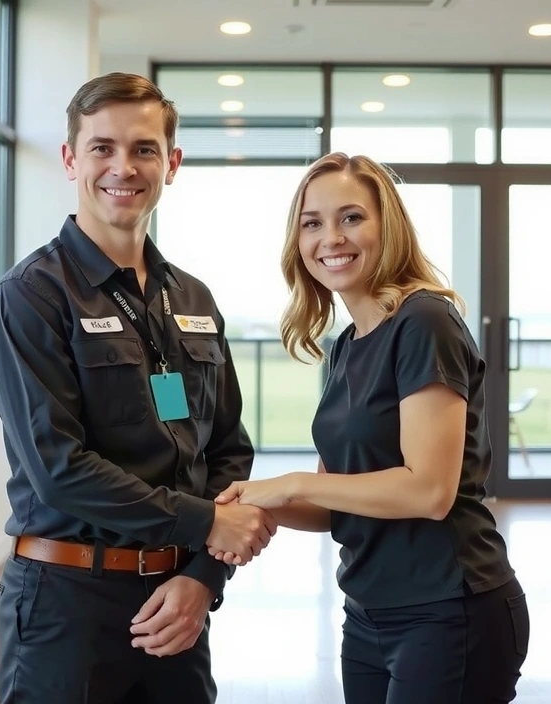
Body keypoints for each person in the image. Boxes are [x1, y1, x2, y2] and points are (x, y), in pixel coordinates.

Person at [0, 72, 277, 704]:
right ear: (70, 159)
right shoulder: (29, 296)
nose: (124, 166)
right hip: (67, 603)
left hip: (178, 602)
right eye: (102, 147)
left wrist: (203, 576)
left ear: (172, 163)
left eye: (143, 149)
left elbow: (225, 447)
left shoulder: (192, 297)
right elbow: (60, 468)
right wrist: (204, 526)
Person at [211, 152, 530, 703]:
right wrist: (243, 507)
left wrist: (289, 483)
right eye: (312, 223)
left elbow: (429, 491)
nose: (331, 237)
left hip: (450, 608)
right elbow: (337, 503)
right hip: (366, 611)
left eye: (351, 217)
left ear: (388, 228)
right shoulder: (346, 347)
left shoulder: (424, 321)